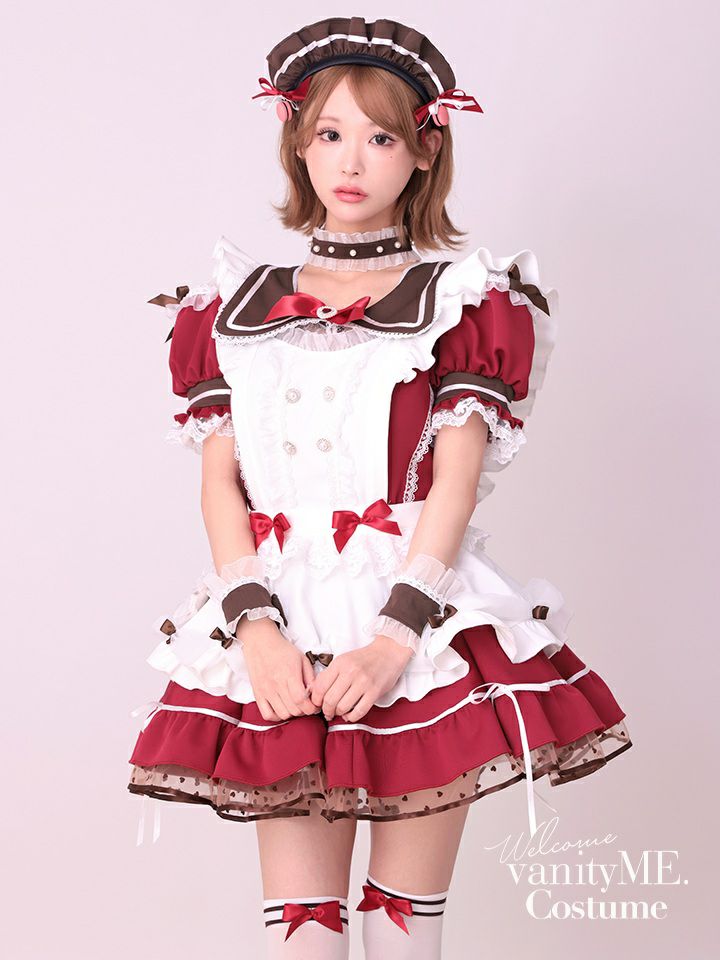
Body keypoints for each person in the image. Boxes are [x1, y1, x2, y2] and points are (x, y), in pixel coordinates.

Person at [127, 16, 633, 959]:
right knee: (304, 936)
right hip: (278, 621)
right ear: (297, 141)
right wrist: (256, 633)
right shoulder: (227, 310)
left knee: (402, 932)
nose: (350, 160)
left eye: (381, 137)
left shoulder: (467, 302)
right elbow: (220, 485)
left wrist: (396, 638)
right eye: (329, 132)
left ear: (424, 151)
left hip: (418, 622)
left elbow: (455, 485)